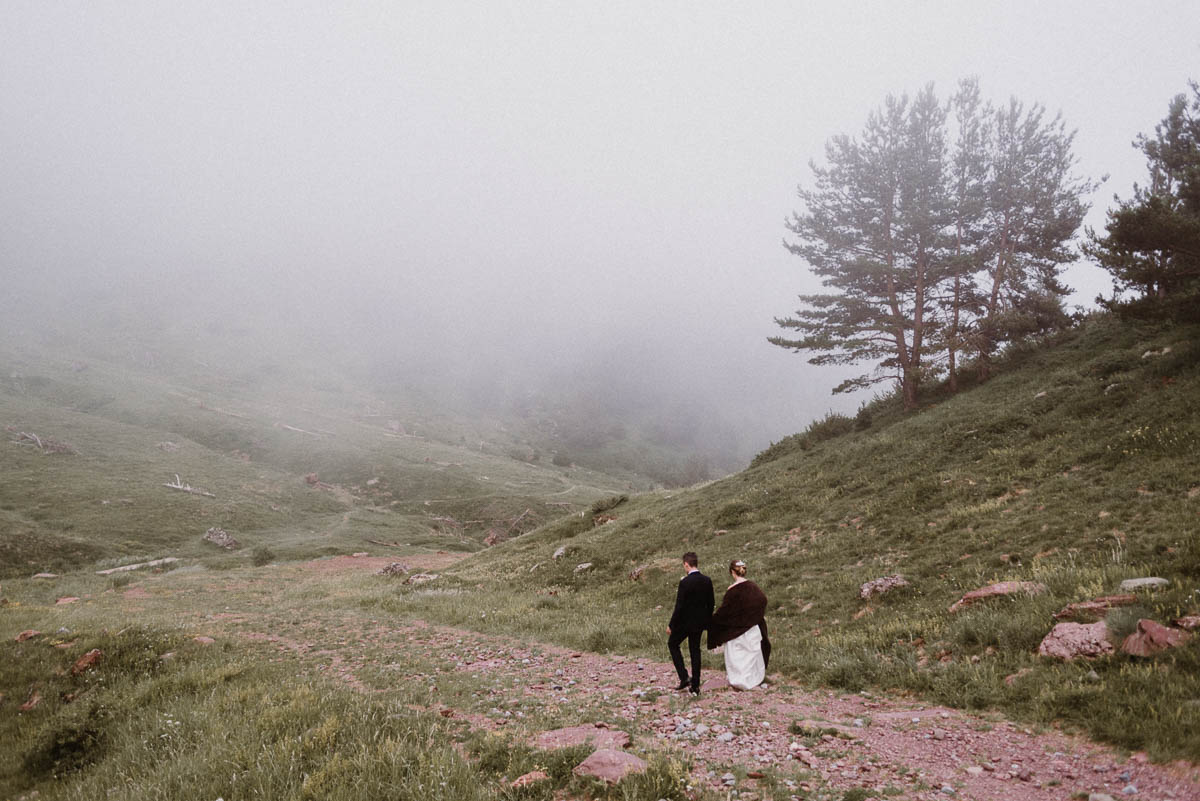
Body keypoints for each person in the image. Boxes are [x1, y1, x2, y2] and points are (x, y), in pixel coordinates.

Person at [707, 559, 771, 690]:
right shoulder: (753, 587)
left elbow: (725, 611)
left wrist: (711, 621)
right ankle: (753, 680)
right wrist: (753, 617)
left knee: (738, 656)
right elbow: (762, 600)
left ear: (732, 572)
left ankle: (739, 681)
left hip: (737, 630)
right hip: (752, 628)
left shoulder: (732, 590)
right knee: (750, 655)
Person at [666, 551, 714, 695]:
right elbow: (711, 603)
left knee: (672, 644)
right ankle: (696, 684)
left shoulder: (685, 582)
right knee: (695, 651)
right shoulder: (707, 580)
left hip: (684, 623)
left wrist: (671, 624)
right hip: (699, 623)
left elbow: (679, 606)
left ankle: (684, 677)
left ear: (686, 564)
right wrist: (706, 620)